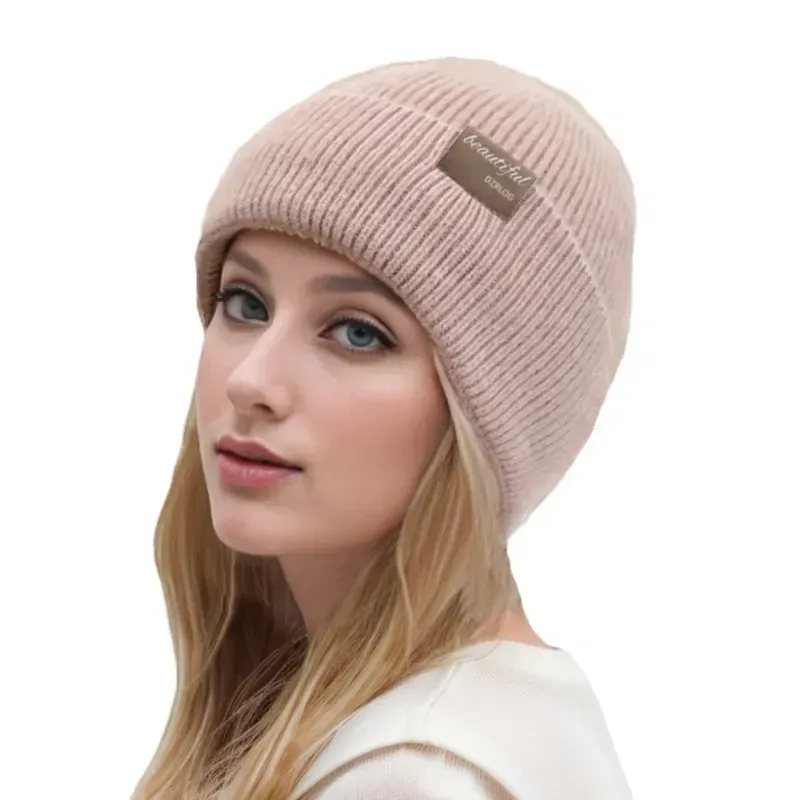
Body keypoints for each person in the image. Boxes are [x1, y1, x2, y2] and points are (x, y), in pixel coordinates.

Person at [133, 56, 636, 799]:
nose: (251, 381)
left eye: (359, 333)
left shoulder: (412, 774)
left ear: (484, 419)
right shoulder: (511, 712)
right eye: (246, 303)